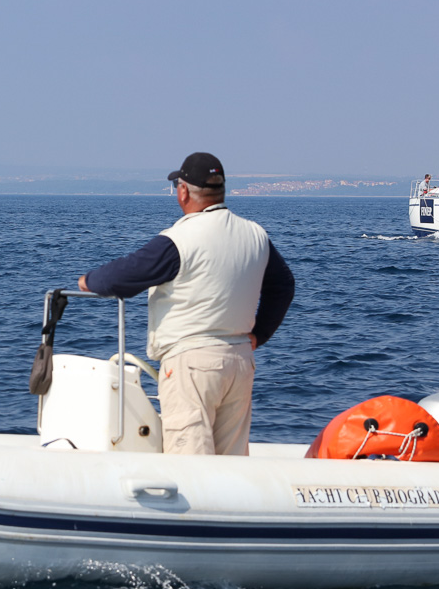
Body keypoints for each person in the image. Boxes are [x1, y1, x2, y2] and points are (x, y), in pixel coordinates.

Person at [77, 152, 295, 456]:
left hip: (191, 363)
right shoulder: (255, 234)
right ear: (221, 189)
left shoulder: (179, 239)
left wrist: (88, 280)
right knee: (231, 462)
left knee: (189, 461)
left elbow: (123, 276)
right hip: (239, 360)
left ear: (183, 191)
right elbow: (283, 285)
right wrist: (261, 333)